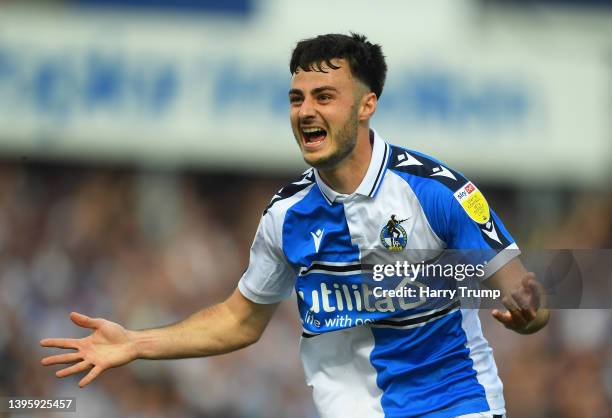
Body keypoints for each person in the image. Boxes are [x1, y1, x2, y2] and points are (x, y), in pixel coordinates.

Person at [41, 33, 549, 418]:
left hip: (456, 404)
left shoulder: (437, 191)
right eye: (296, 98)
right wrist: (136, 343)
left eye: (324, 96)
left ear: (366, 105)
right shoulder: (284, 217)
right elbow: (241, 321)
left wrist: (529, 313)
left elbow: (526, 292)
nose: (306, 111)